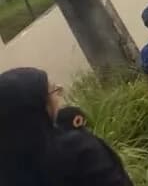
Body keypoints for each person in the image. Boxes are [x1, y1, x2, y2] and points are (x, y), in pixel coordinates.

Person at [0, 66, 134, 186]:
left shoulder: (8, 170)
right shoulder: (79, 151)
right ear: (39, 107)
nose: (57, 96)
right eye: (52, 91)